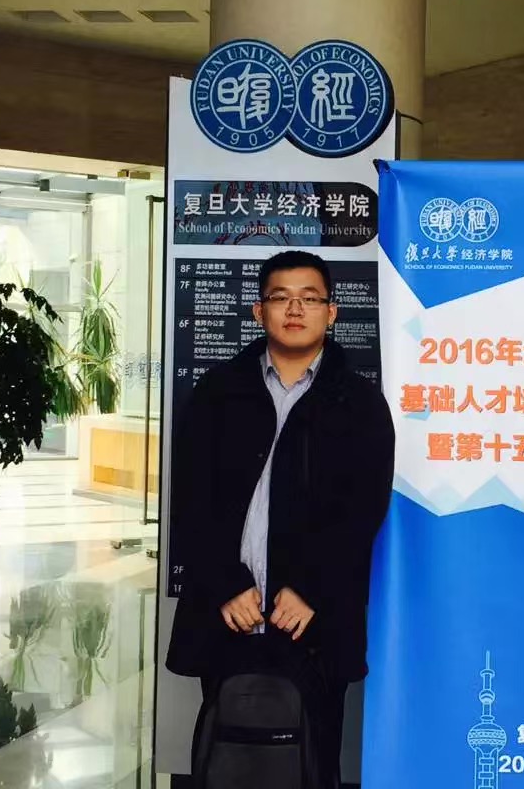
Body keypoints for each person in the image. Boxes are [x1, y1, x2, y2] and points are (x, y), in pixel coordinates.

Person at [166, 250, 395, 784]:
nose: (295, 309)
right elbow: (192, 501)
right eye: (281, 297)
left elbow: (362, 511)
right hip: (232, 614)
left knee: (311, 758)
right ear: (258, 311)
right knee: (230, 752)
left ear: (332, 312)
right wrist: (227, 585)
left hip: (314, 620)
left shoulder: (359, 403)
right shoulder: (218, 392)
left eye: (310, 299)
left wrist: (310, 588)